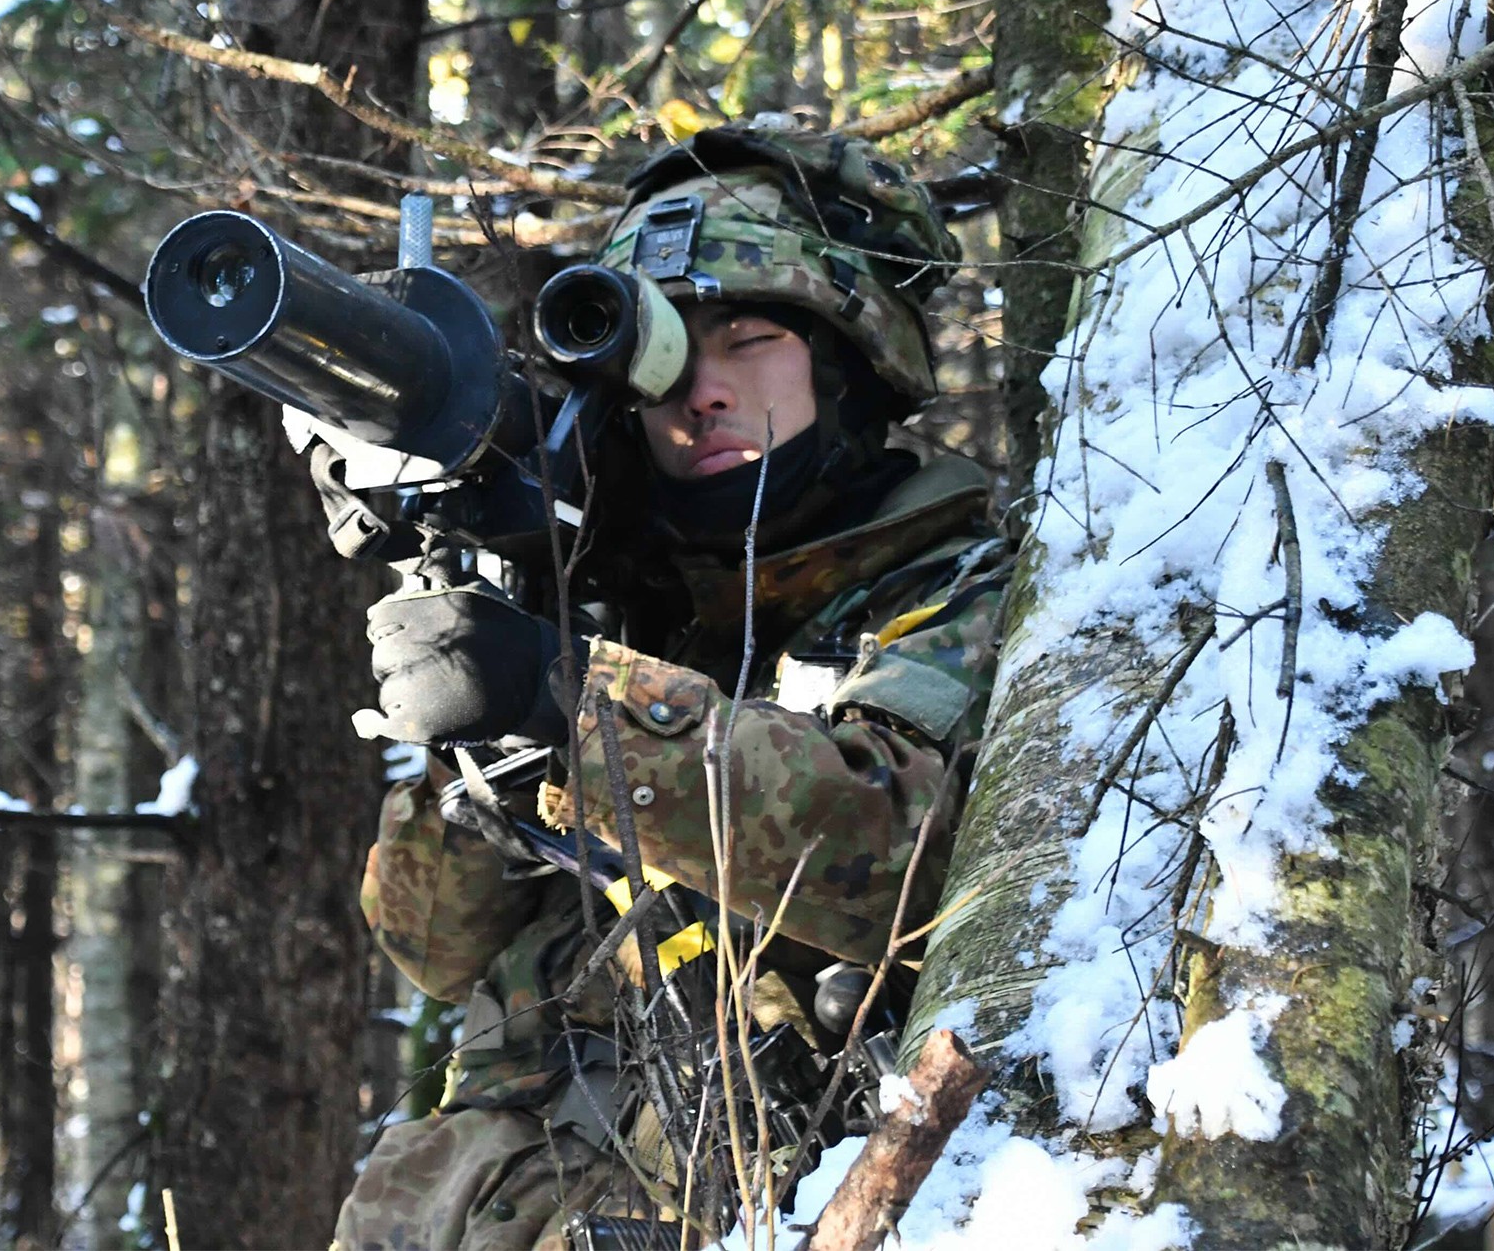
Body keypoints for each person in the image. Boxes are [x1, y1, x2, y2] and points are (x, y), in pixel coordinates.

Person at [331, 124, 1009, 1251]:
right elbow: (432, 949)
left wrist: (574, 707)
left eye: (748, 341)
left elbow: (906, 860)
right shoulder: (624, 605)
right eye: (663, 365)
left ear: (854, 360)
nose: (702, 393)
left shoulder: (953, 586)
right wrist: (487, 733)